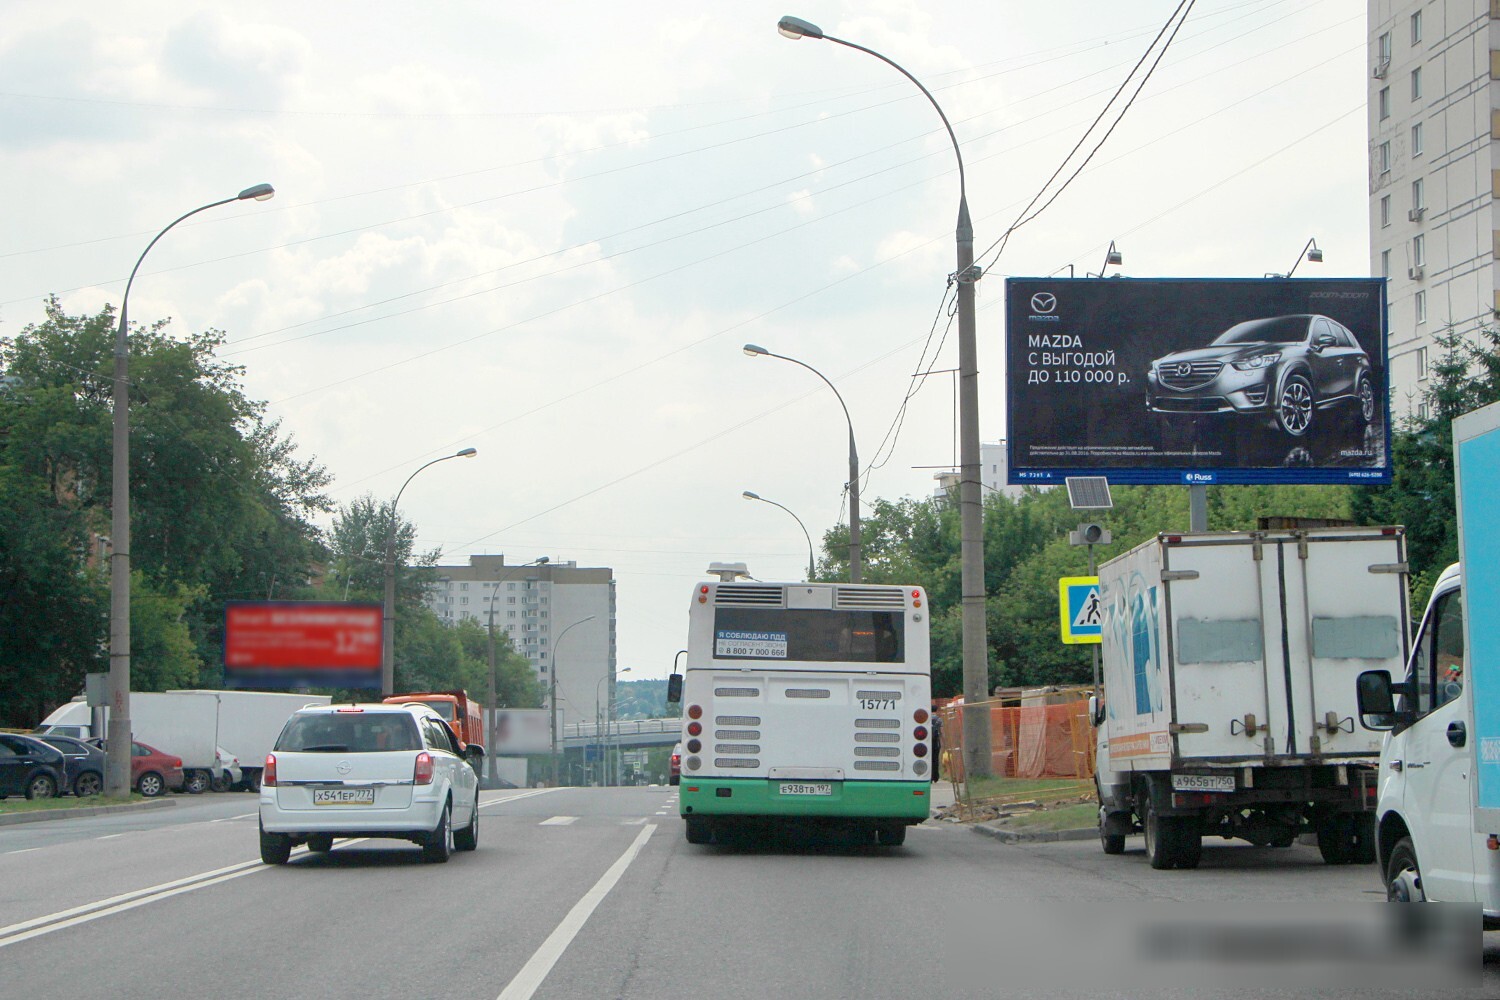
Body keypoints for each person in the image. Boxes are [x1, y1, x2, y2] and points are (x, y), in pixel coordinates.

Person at [930, 703, 944, 783]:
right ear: (936, 710)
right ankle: (935, 776)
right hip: (936, 742)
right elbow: (942, 731)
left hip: (928, 742)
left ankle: (929, 776)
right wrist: (943, 741)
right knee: (936, 759)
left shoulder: (926, 719)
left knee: (929, 759)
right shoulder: (939, 720)